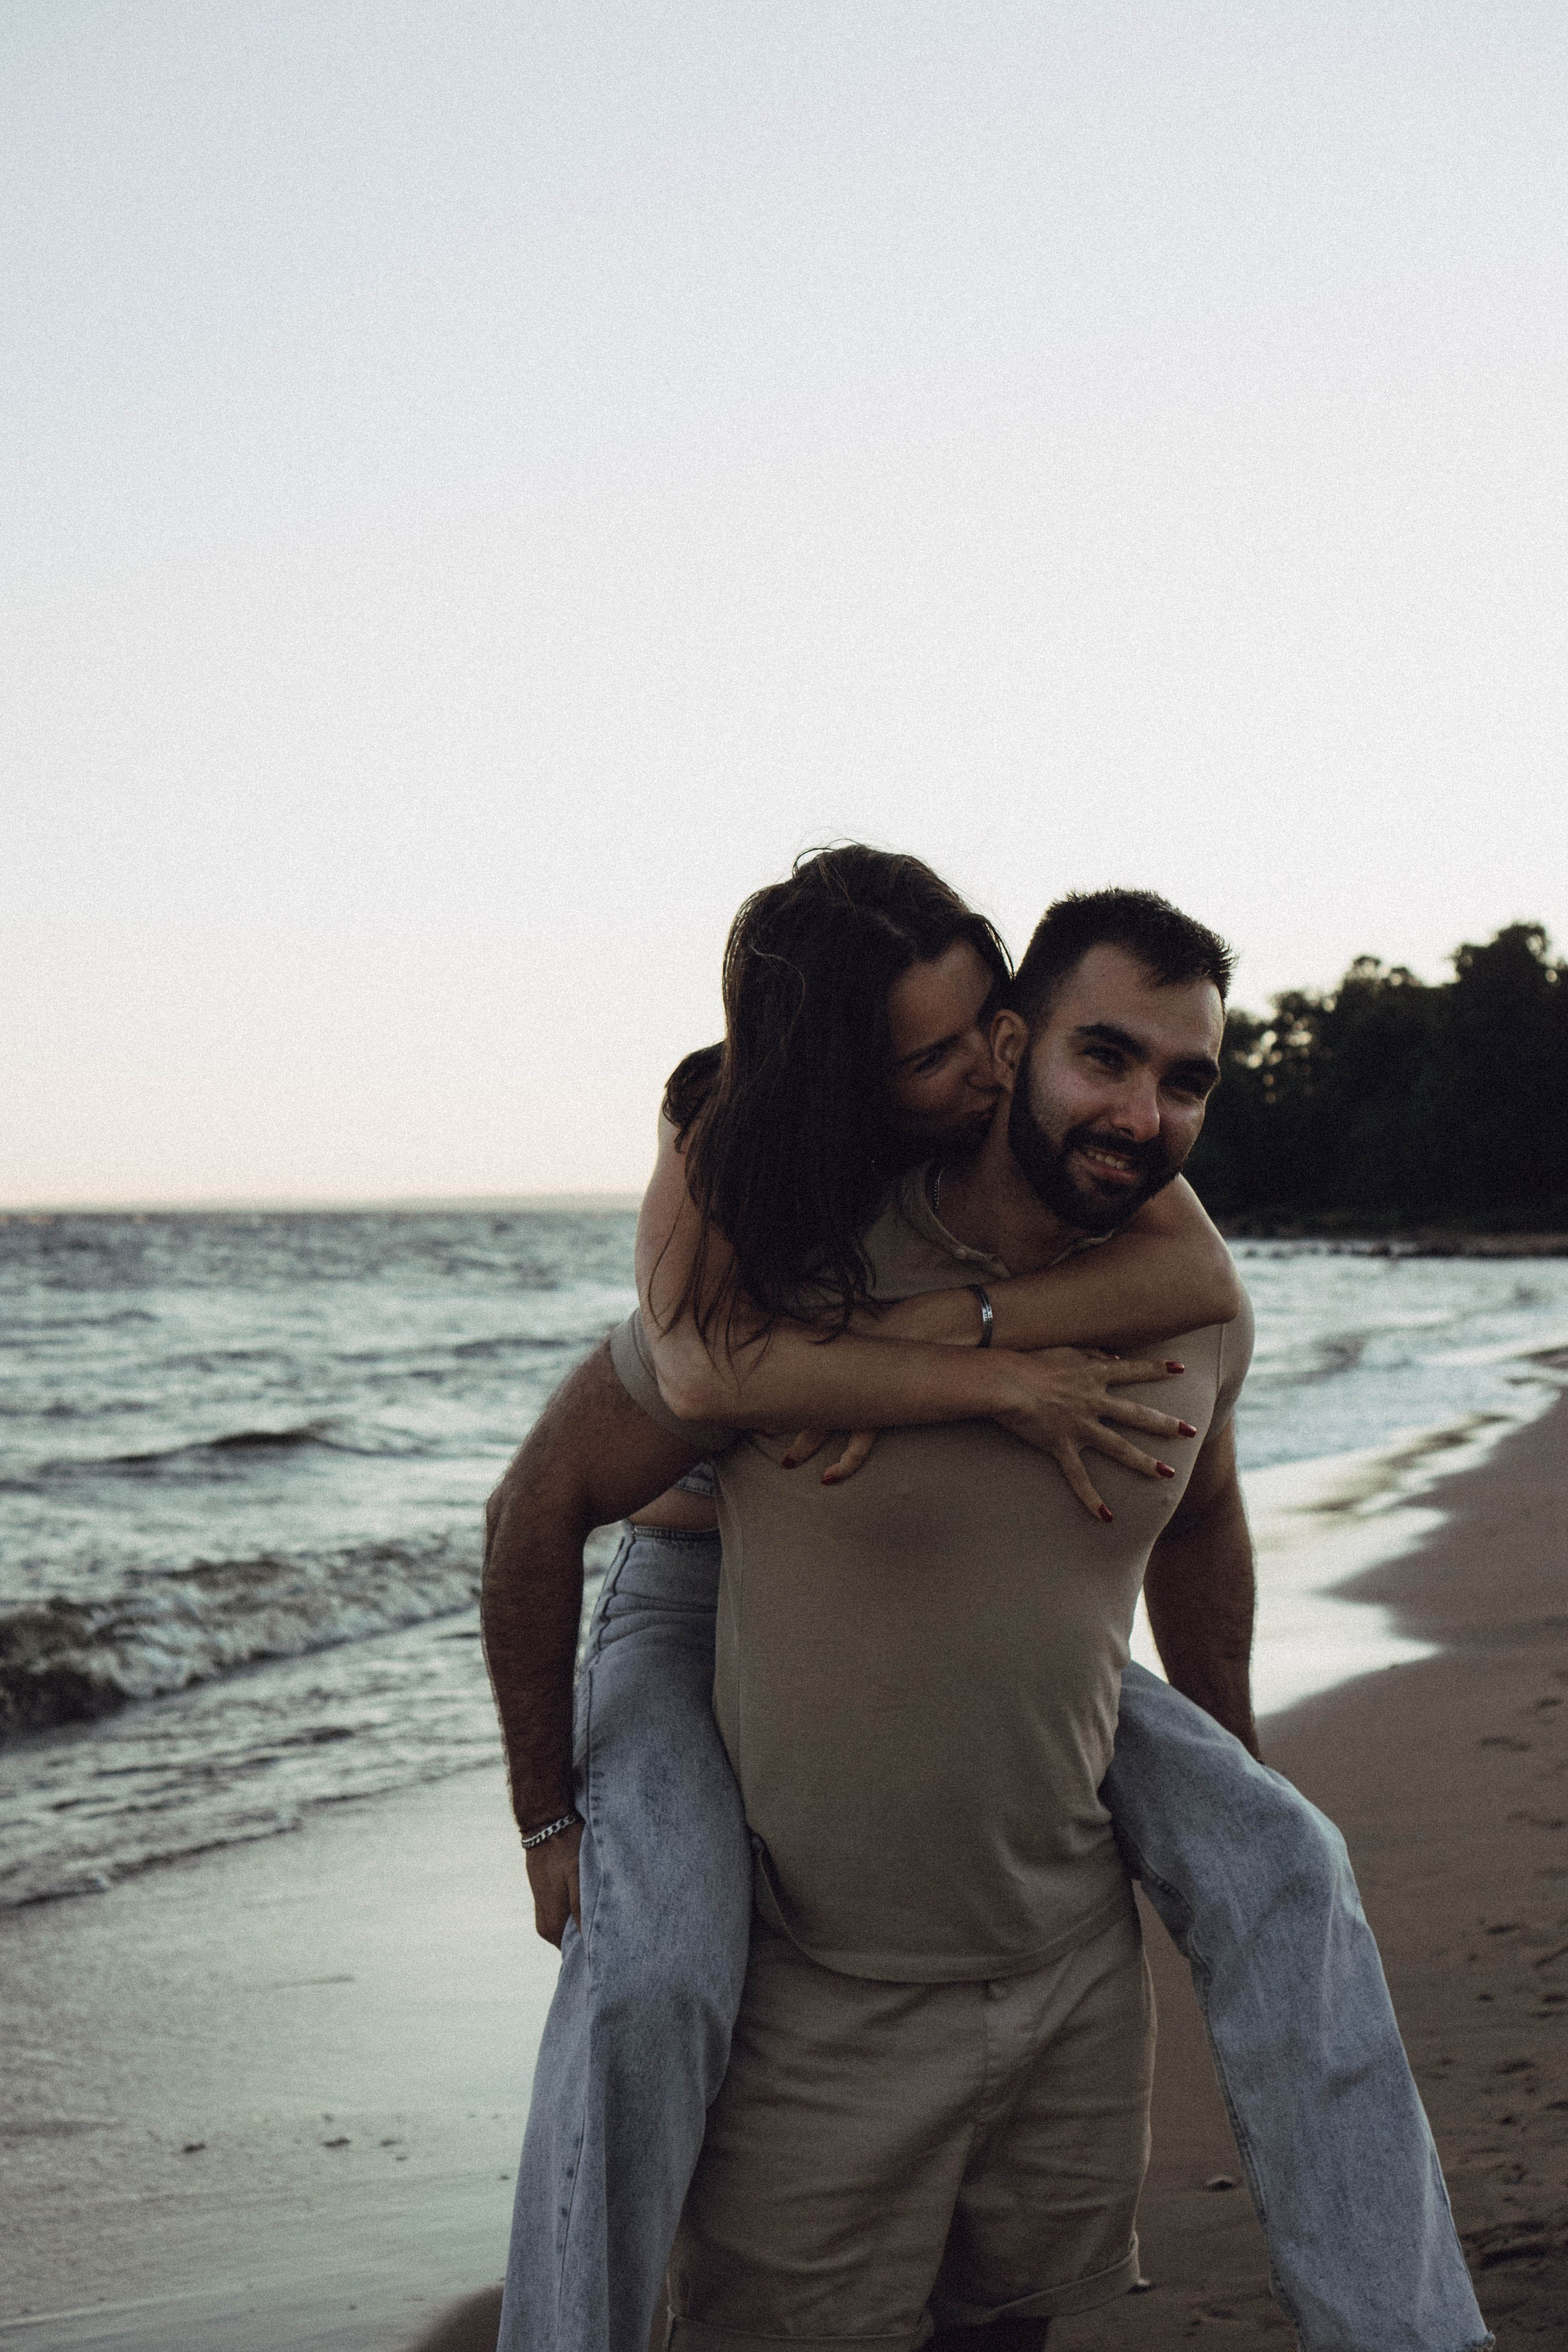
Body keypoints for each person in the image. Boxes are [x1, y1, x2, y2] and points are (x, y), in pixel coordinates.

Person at [484, 856, 1490, 2352]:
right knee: (652, 1971)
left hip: (1054, 1971)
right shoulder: (775, 1219)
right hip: (701, 1612)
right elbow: (641, 1420)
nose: (1136, 1113)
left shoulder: (1177, 1283)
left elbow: (1200, 1516)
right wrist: (548, 1817)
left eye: (1183, 1079)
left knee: (1279, 1852)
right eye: (1095, 1055)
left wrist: (1222, 1753)